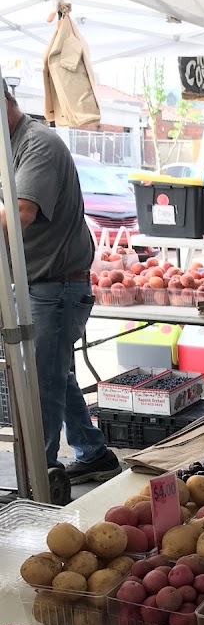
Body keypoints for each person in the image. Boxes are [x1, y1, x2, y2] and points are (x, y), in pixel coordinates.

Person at [0, 79, 120, 484]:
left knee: (41, 385)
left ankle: (41, 476)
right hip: (33, 282)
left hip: (56, 288)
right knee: (53, 372)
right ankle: (94, 453)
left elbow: (20, 213)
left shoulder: (39, 144)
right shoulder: (7, 146)